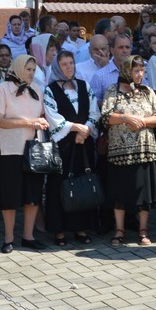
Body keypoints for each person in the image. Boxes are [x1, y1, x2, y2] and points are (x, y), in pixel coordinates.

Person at [0, 54, 53, 253]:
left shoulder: (37, 90)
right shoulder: (2, 89)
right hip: (10, 150)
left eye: (33, 70)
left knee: (33, 194)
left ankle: (28, 236)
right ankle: (8, 238)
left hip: (33, 148)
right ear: (17, 69)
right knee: (10, 195)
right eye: (28, 69)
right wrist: (30, 122)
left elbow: (43, 115)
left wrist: (42, 121)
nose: (31, 73)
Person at [99, 56, 156, 246]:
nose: (140, 74)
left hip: (144, 150)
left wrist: (141, 121)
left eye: (142, 70)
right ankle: (119, 230)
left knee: (143, 193)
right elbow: (105, 117)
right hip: (119, 152)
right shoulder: (113, 91)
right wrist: (126, 118)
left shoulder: (147, 91)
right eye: (136, 71)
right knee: (119, 193)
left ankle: (143, 231)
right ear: (127, 71)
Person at [42, 52, 96, 246]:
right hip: (63, 145)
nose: (69, 67)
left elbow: (94, 111)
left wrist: (86, 130)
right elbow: (53, 117)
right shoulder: (50, 90)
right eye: (64, 64)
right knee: (60, 185)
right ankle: (59, 231)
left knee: (82, 182)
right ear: (57, 67)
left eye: (71, 63)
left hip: (83, 143)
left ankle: (81, 228)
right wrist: (76, 128)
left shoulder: (84, 85)